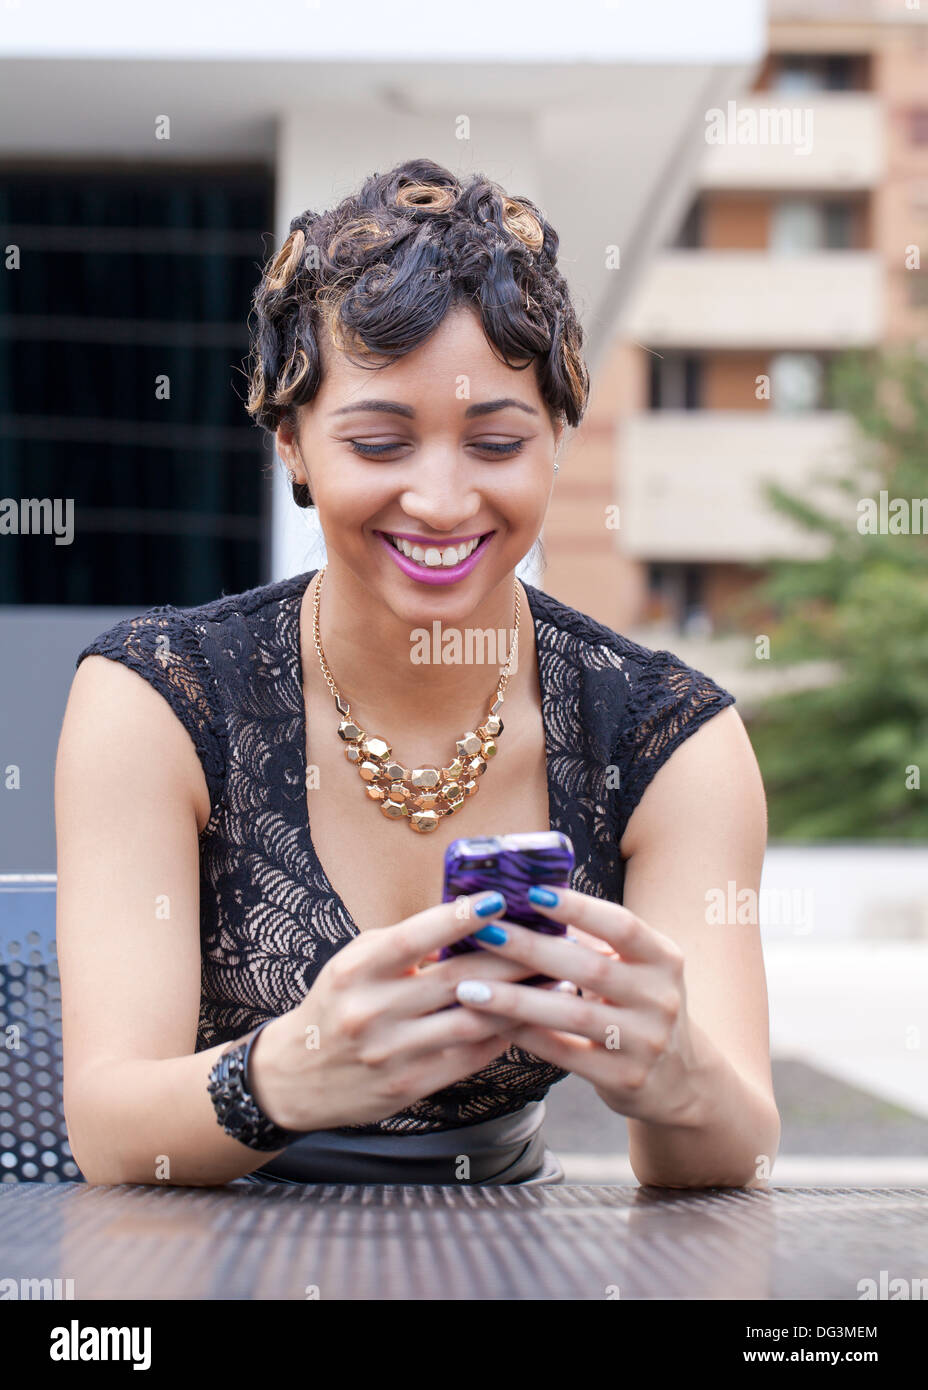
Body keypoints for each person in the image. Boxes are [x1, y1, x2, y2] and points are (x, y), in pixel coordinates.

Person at [55, 157, 779, 1189]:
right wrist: (286, 1075)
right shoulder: (160, 699)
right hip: (204, 1246)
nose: (440, 502)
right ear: (292, 442)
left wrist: (671, 1070)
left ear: (557, 440)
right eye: (380, 441)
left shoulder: (665, 739)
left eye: (495, 441)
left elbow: (723, 1155)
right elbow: (112, 1131)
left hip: (500, 1245)